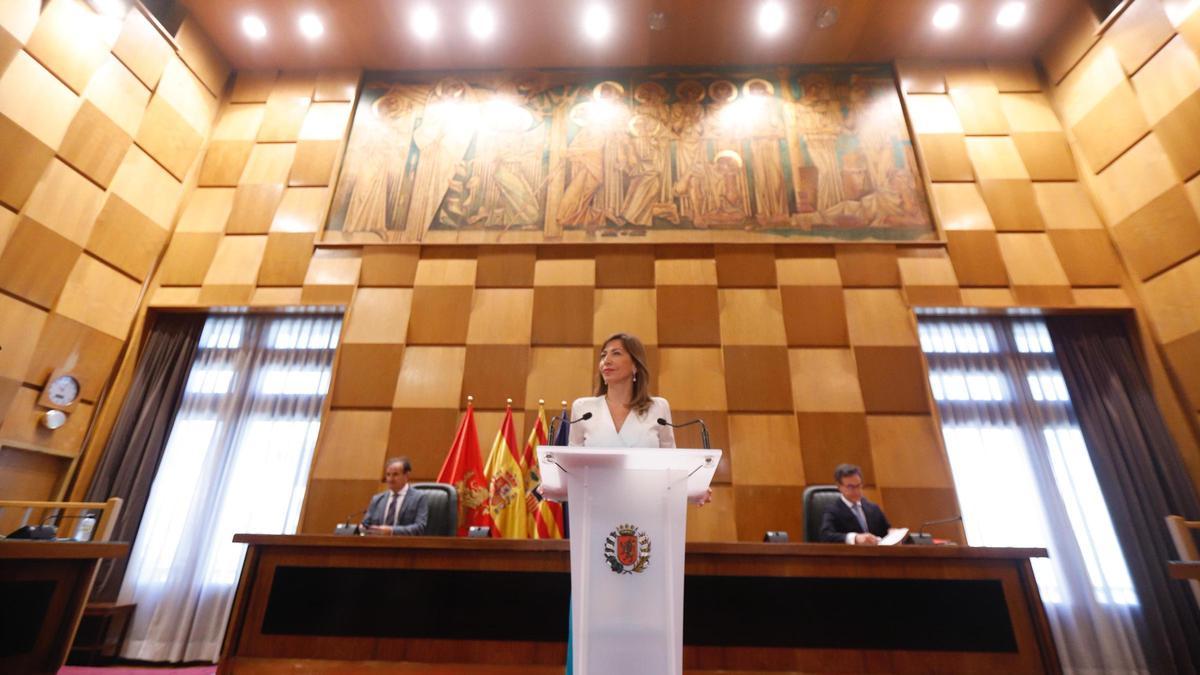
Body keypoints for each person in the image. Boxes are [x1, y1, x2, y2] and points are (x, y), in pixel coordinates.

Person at [568, 332, 711, 505]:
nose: (607, 360)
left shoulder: (658, 408)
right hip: (595, 507)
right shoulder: (583, 408)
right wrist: (555, 485)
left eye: (616, 353)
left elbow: (671, 466)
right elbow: (571, 466)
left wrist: (693, 488)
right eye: (603, 355)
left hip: (648, 507)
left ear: (635, 365)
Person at [819, 463, 890, 544]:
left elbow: (886, 532)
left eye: (858, 486)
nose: (856, 491)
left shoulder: (873, 508)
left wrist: (894, 534)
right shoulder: (832, 510)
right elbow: (825, 536)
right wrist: (855, 538)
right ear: (839, 487)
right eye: (850, 487)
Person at [361, 457, 430, 535]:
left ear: (406, 476)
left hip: (406, 544)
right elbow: (365, 524)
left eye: (395, 474)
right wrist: (363, 528)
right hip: (378, 544)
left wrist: (392, 531)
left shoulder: (419, 498)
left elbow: (420, 528)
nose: (390, 479)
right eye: (388, 475)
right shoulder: (377, 499)